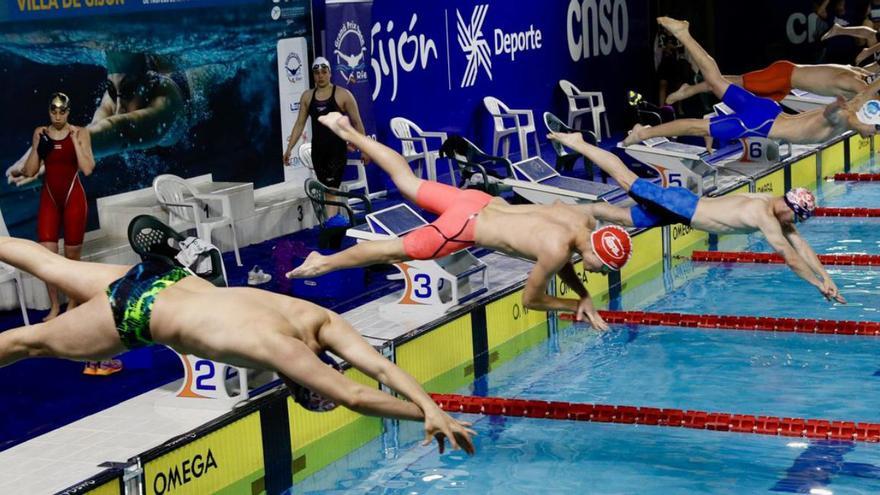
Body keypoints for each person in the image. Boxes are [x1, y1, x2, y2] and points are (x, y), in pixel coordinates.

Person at [0, 235, 476, 455]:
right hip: (139, 313)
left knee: (48, 263)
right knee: (30, 343)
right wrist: (427, 414)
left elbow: (380, 369)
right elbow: (354, 395)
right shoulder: (282, 352)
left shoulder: (318, 320)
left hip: (165, 277)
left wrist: (428, 403)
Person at [286, 112, 634, 330]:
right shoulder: (558, 251)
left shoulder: (581, 220)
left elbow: (563, 258)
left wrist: (582, 290)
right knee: (392, 251)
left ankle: (347, 131)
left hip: (477, 200)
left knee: (407, 181)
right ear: (599, 254)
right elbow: (532, 300)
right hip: (462, 228)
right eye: (602, 268)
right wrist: (576, 303)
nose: (600, 273)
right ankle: (325, 263)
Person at [548, 130, 846, 304]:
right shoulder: (764, 215)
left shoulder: (773, 204)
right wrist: (816, 286)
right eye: (797, 217)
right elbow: (792, 259)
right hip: (682, 206)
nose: (795, 224)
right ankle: (579, 143)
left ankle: (563, 211)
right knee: (626, 180)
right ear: (791, 207)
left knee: (623, 218)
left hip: (683, 212)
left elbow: (802, 246)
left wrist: (828, 277)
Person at [622, 17, 880, 148]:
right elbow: (835, 114)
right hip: (762, 124)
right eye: (875, 127)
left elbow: (868, 92)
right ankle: (643, 133)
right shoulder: (843, 118)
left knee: (715, 80)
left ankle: (683, 33)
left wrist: (849, 109)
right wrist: (840, 110)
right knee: (697, 127)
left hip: (769, 113)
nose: (874, 131)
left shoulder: (857, 99)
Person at [9, 93, 122, 375]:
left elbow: (88, 168)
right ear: (49, 112)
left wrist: (76, 142)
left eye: (62, 112)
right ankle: (55, 308)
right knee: (47, 258)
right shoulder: (41, 133)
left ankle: (72, 303)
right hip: (49, 198)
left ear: (68, 112)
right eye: (53, 111)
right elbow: (31, 170)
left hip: (73, 197)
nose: (57, 116)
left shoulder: (80, 132)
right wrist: (37, 146)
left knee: (72, 258)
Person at [283, 57, 369, 219]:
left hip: (336, 151)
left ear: (330, 73)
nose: (320, 76)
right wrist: (289, 149)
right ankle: (333, 222)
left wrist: (364, 150)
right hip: (318, 151)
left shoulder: (343, 95)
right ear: (313, 75)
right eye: (316, 73)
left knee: (331, 189)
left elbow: (358, 123)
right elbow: (299, 124)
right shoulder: (307, 97)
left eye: (323, 72)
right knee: (326, 189)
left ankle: (332, 224)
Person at [665, 61, 872, 104]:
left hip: (787, 83)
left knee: (755, 107)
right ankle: (689, 90)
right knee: (728, 84)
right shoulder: (856, 82)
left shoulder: (858, 72)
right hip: (782, 76)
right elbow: (869, 96)